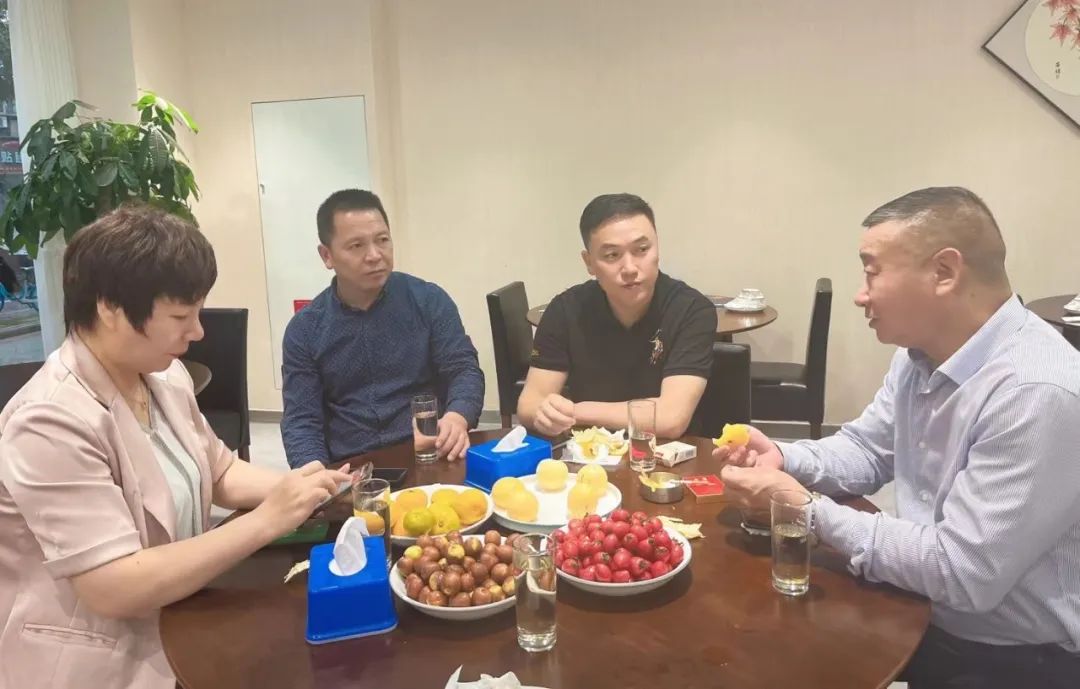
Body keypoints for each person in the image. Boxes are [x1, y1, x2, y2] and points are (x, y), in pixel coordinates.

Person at [716, 187, 1080, 688]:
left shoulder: (1035, 391)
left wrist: (807, 510)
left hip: (1013, 655)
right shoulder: (919, 354)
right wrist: (782, 455)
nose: (860, 294)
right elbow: (867, 449)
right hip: (923, 604)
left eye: (872, 272)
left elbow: (963, 573)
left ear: (944, 272)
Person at [0, 205, 351, 689]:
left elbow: (219, 470)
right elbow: (114, 585)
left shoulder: (162, 375)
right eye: (181, 316)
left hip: (180, 618)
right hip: (96, 660)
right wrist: (267, 520)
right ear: (109, 307)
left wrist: (307, 488)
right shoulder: (48, 420)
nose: (198, 331)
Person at [281, 189, 484, 467]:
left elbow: (463, 368)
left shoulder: (428, 300)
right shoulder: (305, 330)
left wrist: (457, 417)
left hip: (429, 455)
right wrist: (314, 472)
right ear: (327, 255)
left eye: (382, 240)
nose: (375, 255)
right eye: (357, 246)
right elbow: (301, 420)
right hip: (352, 466)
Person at [517, 193, 716, 438]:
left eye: (642, 250)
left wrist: (577, 411)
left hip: (669, 453)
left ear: (657, 248)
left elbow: (670, 419)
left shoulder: (691, 310)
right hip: (589, 452)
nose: (630, 268)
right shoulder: (565, 310)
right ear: (589, 262)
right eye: (612, 255)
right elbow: (529, 404)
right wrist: (546, 412)